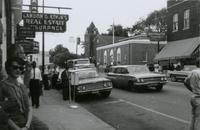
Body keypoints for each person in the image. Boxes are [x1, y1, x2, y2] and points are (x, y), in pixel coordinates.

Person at [0, 57, 49, 130]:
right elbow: (2, 113)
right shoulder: (2, 86)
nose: (18, 70)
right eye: (15, 67)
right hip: (12, 121)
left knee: (44, 128)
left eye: (20, 68)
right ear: (8, 68)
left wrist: (27, 125)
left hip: (26, 118)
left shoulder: (22, 86)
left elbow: (29, 107)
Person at [186, 62, 200, 130]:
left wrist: (193, 90)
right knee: (198, 120)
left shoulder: (193, 72)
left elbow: (185, 82)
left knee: (194, 117)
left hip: (194, 97)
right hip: (199, 98)